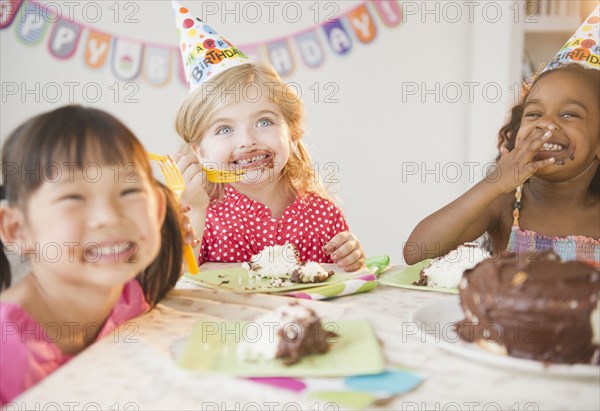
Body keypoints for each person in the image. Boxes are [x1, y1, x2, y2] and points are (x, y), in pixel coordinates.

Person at [0, 105, 186, 403]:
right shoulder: (8, 347)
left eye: (129, 191)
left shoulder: (132, 299)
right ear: (17, 229)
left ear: (158, 209)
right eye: (73, 197)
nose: (109, 217)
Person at [170, 2, 365, 271]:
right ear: (200, 152)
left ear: (293, 134)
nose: (247, 141)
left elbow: (343, 285)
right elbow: (175, 283)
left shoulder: (322, 213)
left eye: (264, 121)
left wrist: (351, 258)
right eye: (224, 129)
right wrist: (194, 209)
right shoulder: (198, 213)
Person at [404, 63, 599, 267]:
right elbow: (416, 252)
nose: (545, 123)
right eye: (534, 113)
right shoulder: (504, 204)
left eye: (569, 114)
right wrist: (495, 183)